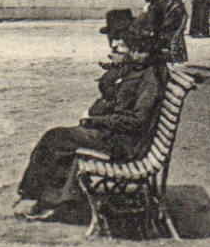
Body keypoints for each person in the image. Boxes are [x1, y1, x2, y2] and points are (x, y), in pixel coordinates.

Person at [14, 20, 165, 222]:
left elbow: (136, 121)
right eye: (134, 49)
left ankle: (44, 199)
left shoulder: (149, 79)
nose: (134, 54)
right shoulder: (140, 71)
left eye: (138, 50)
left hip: (122, 144)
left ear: (146, 51)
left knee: (55, 138)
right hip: (116, 136)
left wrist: (96, 121)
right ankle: (50, 199)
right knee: (61, 139)